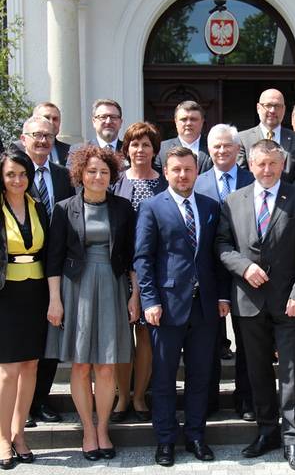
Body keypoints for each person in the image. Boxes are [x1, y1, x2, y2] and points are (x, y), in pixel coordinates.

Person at [216, 139, 295, 471]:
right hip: (249, 300)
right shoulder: (234, 200)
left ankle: (293, 439)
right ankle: (267, 431)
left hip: (289, 302)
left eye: (273, 163)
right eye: (261, 164)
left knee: (291, 373)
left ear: (283, 163)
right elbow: (222, 244)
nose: (267, 170)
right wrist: (244, 267)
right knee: (257, 371)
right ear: (251, 165)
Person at [134, 146, 229, 467]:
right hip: (166, 308)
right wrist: (149, 300)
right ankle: (165, 440)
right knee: (163, 379)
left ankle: (196, 436)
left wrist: (223, 296)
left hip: (205, 308)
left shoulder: (210, 206)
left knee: (200, 377)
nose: (183, 175)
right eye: (176, 169)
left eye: (188, 169)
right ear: (165, 172)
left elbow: (217, 256)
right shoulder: (152, 207)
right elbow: (143, 258)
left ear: (196, 171)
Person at [44, 146, 139, 461]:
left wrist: (135, 295)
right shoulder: (64, 209)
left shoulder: (123, 208)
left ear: (112, 176)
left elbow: (131, 256)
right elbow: (54, 258)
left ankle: (103, 429)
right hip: (76, 289)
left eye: (104, 172)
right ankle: (87, 430)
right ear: (80, 174)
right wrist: (55, 300)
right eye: (92, 171)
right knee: (81, 365)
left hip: (112, 286)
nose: (98, 176)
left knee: (107, 365)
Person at [195, 124, 255, 421]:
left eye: (227, 146)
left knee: (247, 341)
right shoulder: (197, 182)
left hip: (246, 271)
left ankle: (246, 400)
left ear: (237, 149)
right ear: (209, 150)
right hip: (207, 272)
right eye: (216, 146)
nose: (221, 151)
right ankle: (210, 400)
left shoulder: (252, 179)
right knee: (209, 341)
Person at [19, 115, 75, 426]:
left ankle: (40, 400)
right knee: (22, 339)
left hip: (57, 267)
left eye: (48, 136)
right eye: (36, 135)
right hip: (20, 269)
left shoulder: (63, 175)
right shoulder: (12, 173)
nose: (42, 141)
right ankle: (19, 406)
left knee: (51, 338)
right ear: (23, 138)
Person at [110, 122, 166, 423]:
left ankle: (140, 396)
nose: (140, 150)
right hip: (117, 269)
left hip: (153, 270)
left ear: (154, 150)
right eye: (134, 144)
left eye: (146, 144)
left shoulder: (164, 183)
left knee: (146, 332)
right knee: (122, 333)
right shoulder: (115, 182)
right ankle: (122, 396)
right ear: (126, 149)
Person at [0, 151, 49, 469]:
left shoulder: (37, 206)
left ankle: (19, 435)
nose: (18, 180)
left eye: (22, 173)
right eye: (10, 174)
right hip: (5, 293)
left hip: (36, 292)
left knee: (31, 365)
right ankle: (2, 437)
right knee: (8, 371)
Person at [237, 89, 295, 190]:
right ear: (258, 108)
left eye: (277, 106)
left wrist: (283, 196)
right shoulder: (243, 139)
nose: (272, 110)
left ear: (284, 109)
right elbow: (241, 177)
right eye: (268, 105)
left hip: (288, 198)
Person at [155, 100, 213, 174]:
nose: (188, 123)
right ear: (176, 122)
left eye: (193, 119)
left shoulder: (212, 147)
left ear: (202, 122)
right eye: (184, 119)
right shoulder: (161, 149)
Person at [68, 99, 124, 164]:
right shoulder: (78, 151)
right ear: (94, 122)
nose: (108, 121)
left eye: (113, 117)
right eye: (103, 117)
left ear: (120, 122)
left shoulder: (129, 150)